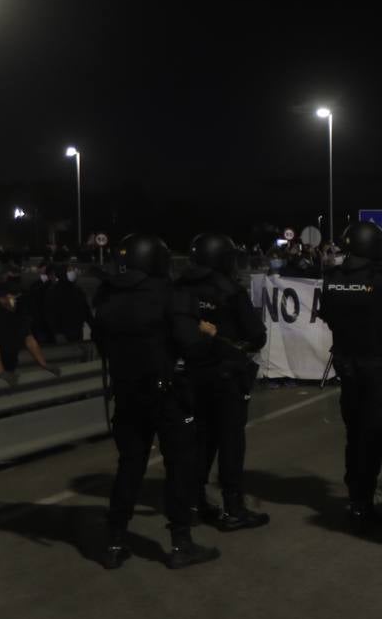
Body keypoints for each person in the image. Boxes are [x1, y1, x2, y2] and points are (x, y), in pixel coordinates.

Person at [92, 234, 219, 570]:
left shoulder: (108, 294)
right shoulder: (170, 295)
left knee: (129, 465)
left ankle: (115, 541)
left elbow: (101, 340)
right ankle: (181, 543)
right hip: (167, 395)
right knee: (179, 466)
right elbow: (190, 346)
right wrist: (205, 335)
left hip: (127, 392)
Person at [318, 221, 382, 531]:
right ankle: (364, 505)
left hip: (347, 365)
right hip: (378, 367)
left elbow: (330, 318)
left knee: (354, 434)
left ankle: (355, 498)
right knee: (373, 437)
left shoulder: (333, 279)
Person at [177, 233, 270, 531]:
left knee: (200, 439)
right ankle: (233, 508)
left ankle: (194, 501)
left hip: (190, 374)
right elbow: (256, 335)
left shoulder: (179, 287)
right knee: (231, 441)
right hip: (225, 375)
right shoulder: (229, 290)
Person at [43, 263, 93, 343]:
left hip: (70, 329)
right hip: (69, 330)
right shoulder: (75, 290)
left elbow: (85, 309)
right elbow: (50, 313)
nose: (73, 272)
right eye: (69, 271)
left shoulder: (53, 291)